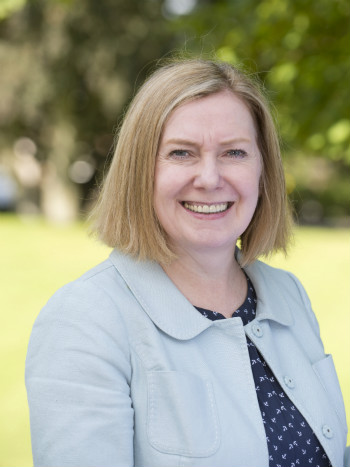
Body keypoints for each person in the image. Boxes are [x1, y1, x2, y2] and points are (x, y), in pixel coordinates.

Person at [25, 59, 349, 467]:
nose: (210, 178)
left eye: (234, 152)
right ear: (140, 170)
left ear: (263, 170)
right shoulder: (86, 321)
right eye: (181, 153)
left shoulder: (288, 296)